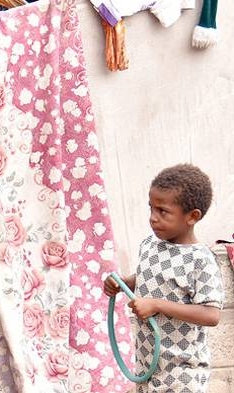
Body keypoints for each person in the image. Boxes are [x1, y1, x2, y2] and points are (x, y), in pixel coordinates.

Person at [103, 164, 224, 392]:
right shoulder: (149, 245)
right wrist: (124, 283)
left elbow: (211, 314)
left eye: (163, 211)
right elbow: (153, 278)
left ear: (192, 216)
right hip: (148, 365)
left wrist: (157, 305)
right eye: (151, 209)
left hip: (182, 373)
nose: (153, 219)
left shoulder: (201, 260)